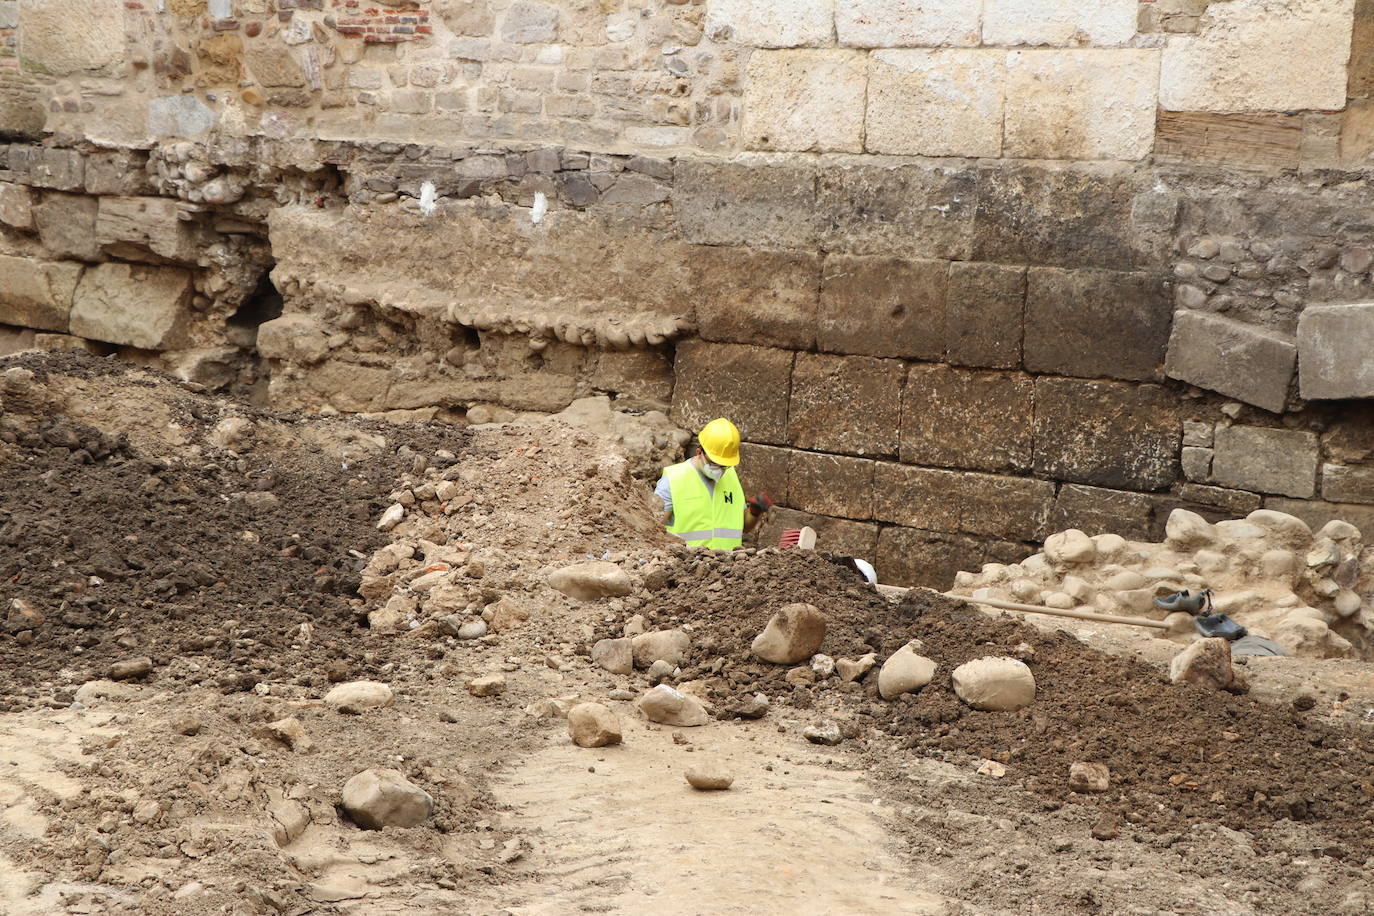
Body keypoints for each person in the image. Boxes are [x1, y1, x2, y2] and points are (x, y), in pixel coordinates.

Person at [656, 418, 770, 549]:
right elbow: (653, 531)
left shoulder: (731, 476)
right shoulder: (673, 479)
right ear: (699, 453)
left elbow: (742, 526)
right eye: (715, 463)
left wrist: (754, 512)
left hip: (728, 566)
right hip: (686, 565)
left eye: (724, 466)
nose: (720, 470)